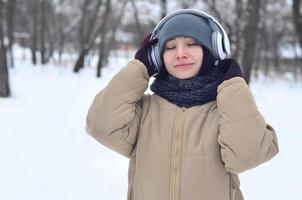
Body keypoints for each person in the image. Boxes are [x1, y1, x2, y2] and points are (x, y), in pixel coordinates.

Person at [85, 9, 279, 200]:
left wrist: (233, 85)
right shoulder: (145, 111)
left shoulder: (225, 110)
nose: (180, 54)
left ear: (213, 50)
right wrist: (139, 67)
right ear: (157, 57)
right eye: (169, 47)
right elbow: (101, 125)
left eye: (191, 44)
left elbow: (249, 155)